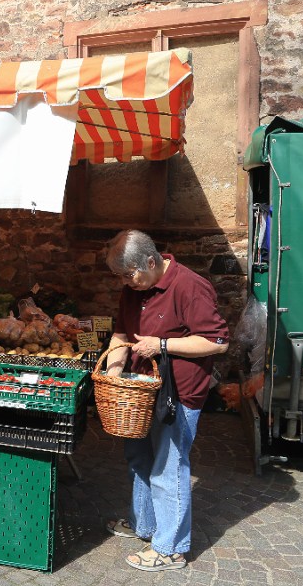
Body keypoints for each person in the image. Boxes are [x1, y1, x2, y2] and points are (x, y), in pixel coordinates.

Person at [102, 230, 229, 572]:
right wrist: (115, 368)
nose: (126, 283)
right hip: (140, 392)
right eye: (121, 277)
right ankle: (145, 525)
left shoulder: (190, 286)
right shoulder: (132, 289)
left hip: (180, 393)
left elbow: (217, 342)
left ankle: (171, 548)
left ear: (151, 261)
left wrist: (161, 345)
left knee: (168, 467)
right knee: (138, 458)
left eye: (130, 275)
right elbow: (120, 333)